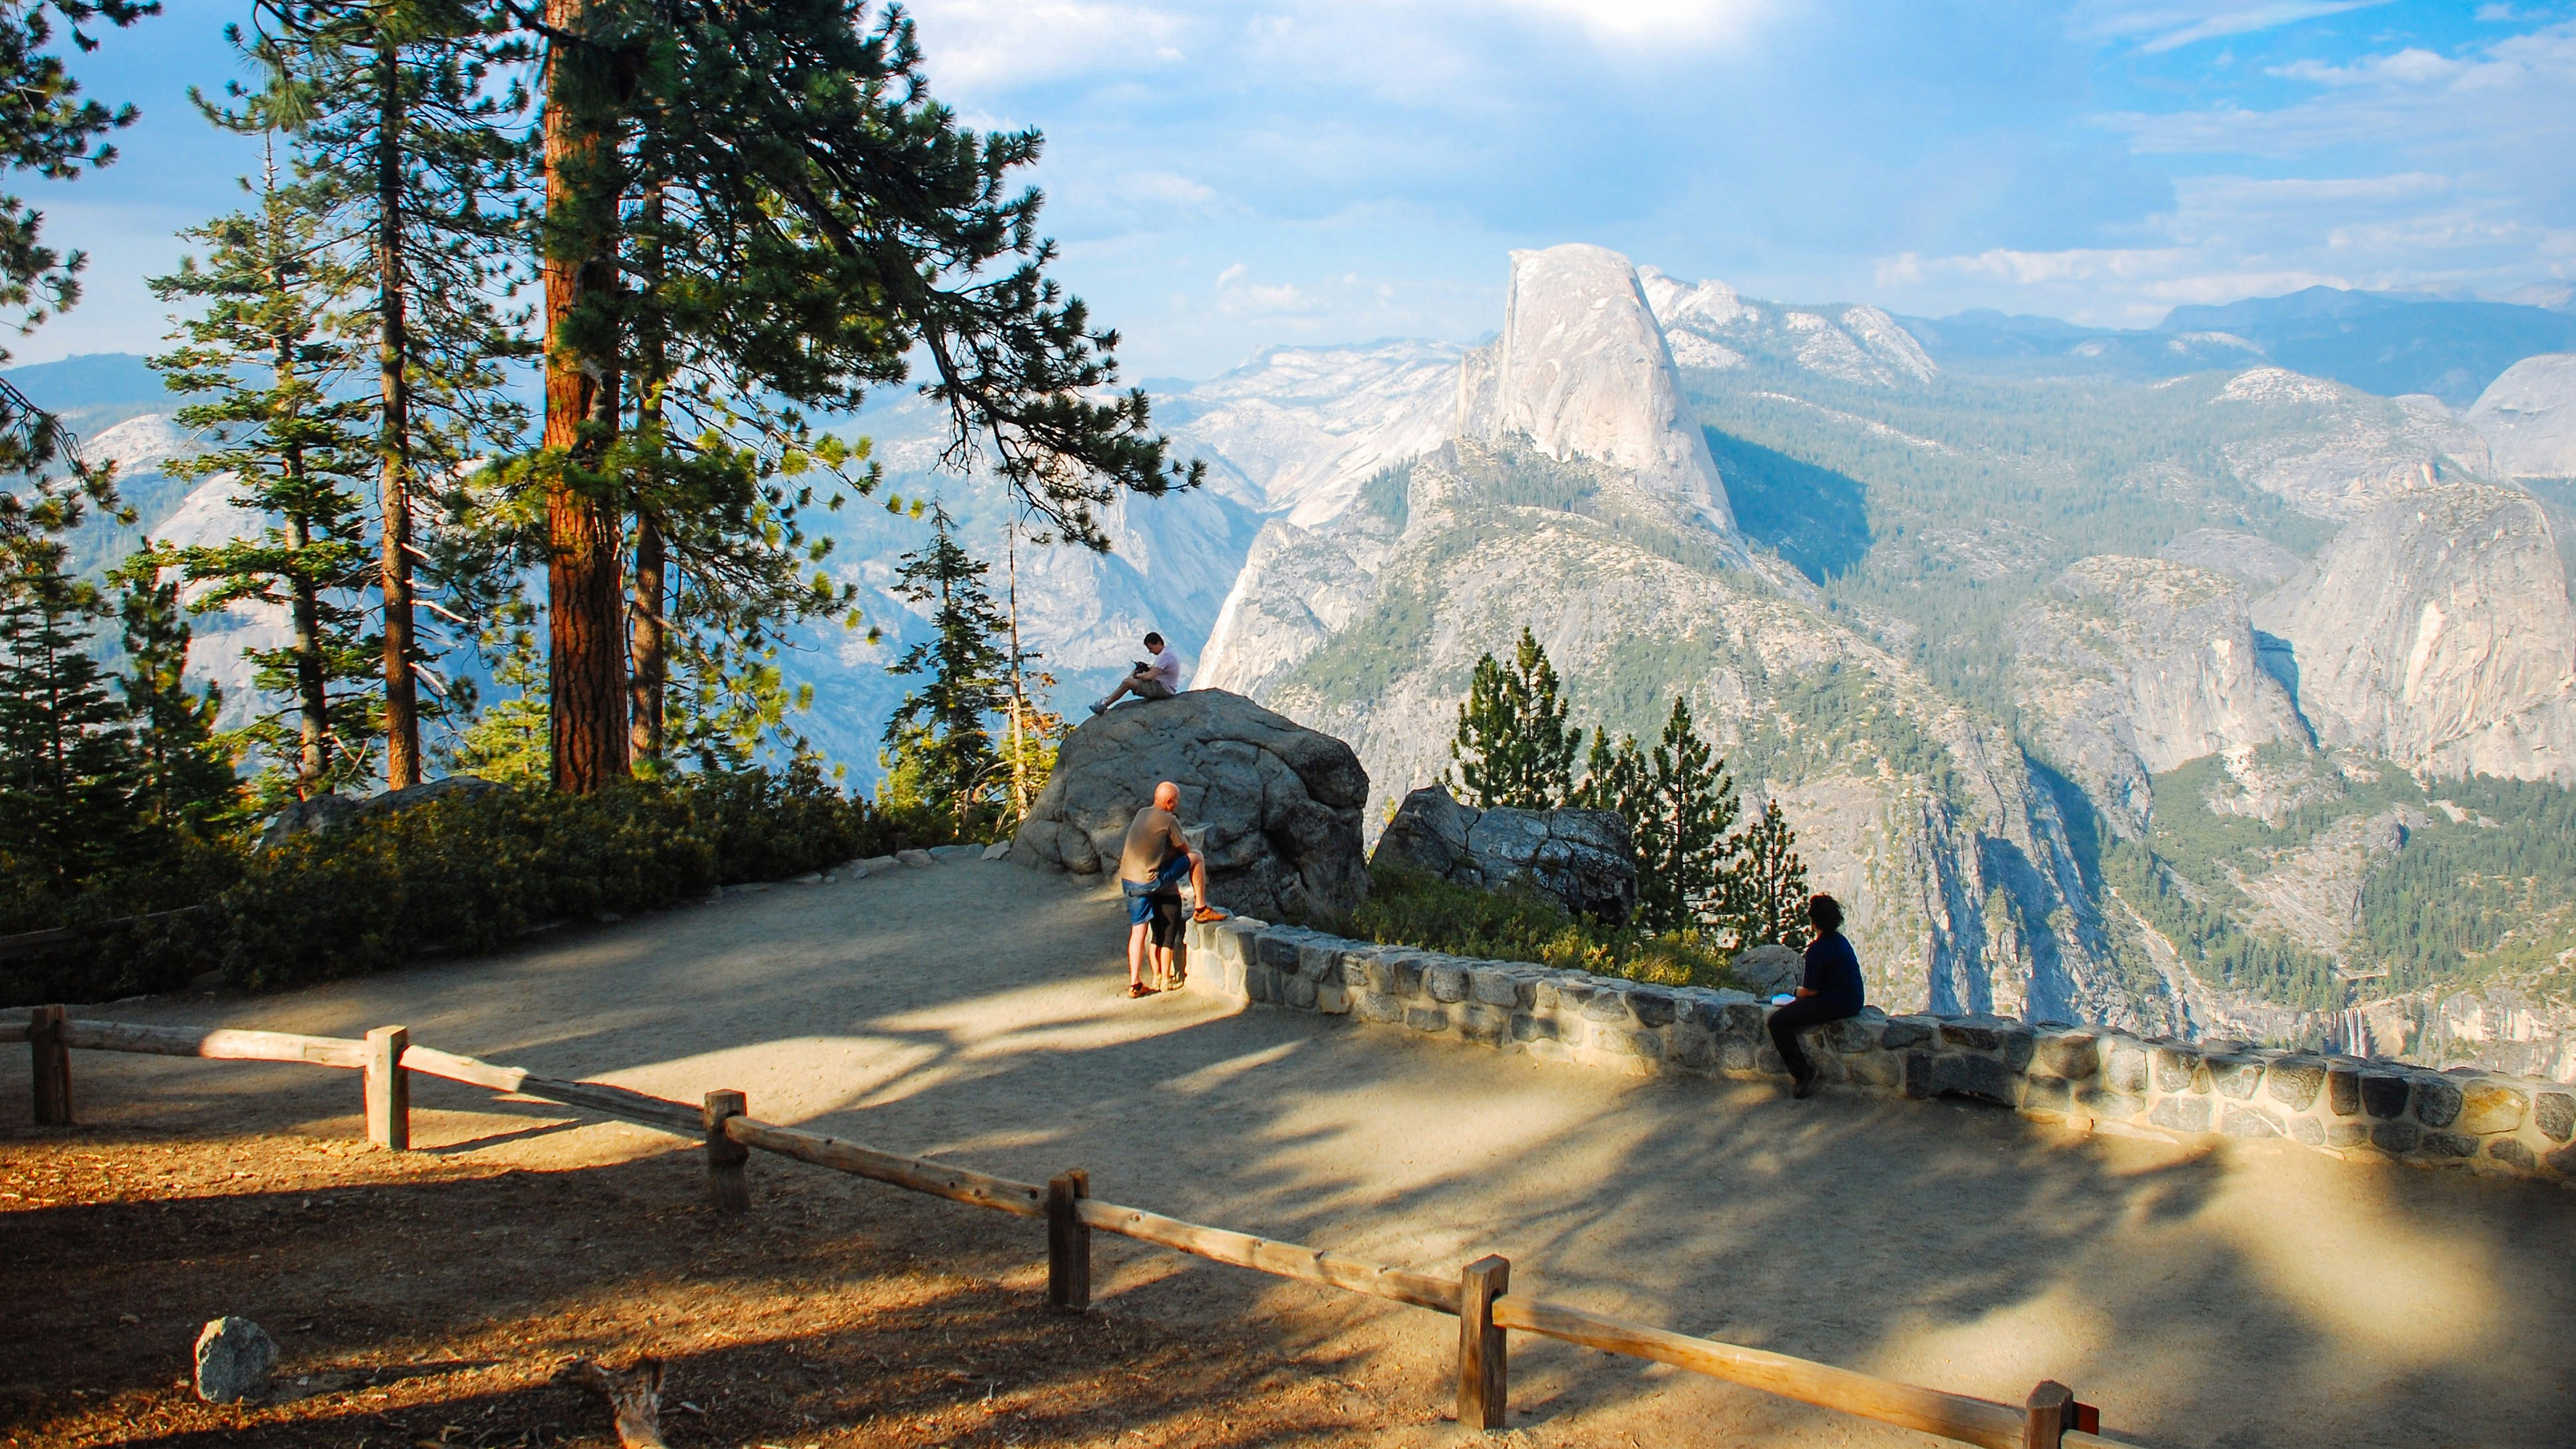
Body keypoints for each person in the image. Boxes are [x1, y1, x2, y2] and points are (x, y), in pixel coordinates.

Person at [1117, 780, 1225, 997]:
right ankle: (1201, 907)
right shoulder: (1168, 820)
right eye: (1176, 801)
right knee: (1197, 857)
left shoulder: (1142, 813)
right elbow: (1185, 849)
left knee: (1138, 931)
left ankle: (1135, 983)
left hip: (1128, 880)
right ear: (1169, 802)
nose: (1178, 804)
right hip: (1150, 881)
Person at [1767, 893, 1864, 1099]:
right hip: (1854, 999)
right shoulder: (1841, 942)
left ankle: (1803, 1073)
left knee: (1777, 1022)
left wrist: (1795, 992)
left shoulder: (1817, 950)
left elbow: (1811, 991)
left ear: (1814, 922)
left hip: (1833, 1003)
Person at [1092, 631, 1182, 714]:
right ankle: (1107, 700)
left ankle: (1104, 705)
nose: (1150, 652)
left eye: (1151, 648)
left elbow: (1151, 676)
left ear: (1159, 643)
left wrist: (1137, 676)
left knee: (1127, 683)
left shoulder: (1164, 656)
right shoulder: (1167, 652)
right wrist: (1145, 668)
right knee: (1134, 673)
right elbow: (1156, 670)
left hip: (1164, 689)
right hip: (1164, 686)